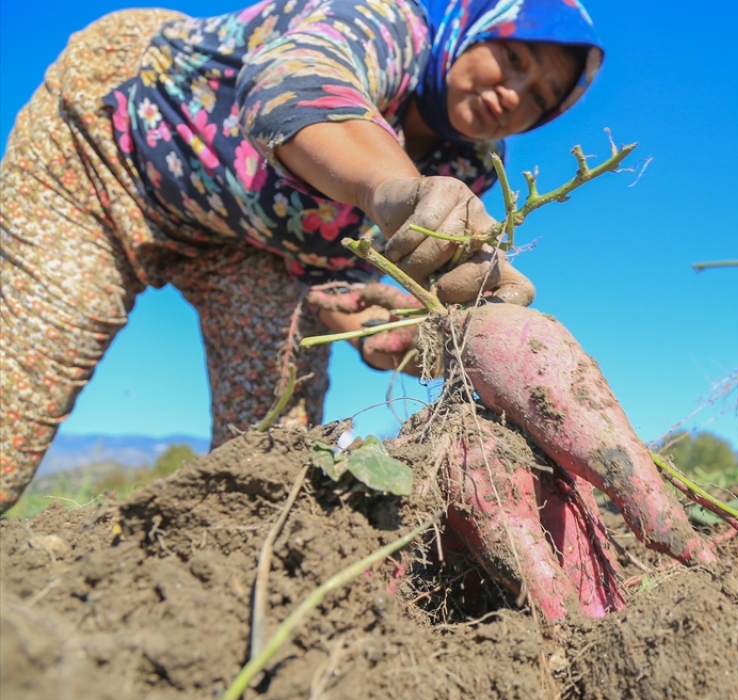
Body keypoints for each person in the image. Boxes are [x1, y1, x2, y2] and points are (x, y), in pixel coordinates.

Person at [0, 0, 604, 512]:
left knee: (271, 478)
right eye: (514, 58)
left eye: (542, 97)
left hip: (246, 250)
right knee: (13, 413)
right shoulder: (387, 23)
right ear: (472, 24)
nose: (514, 92)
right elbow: (297, 82)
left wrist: (410, 337)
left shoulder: (469, 164)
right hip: (105, 150)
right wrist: (394, 188)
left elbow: (339, 291)